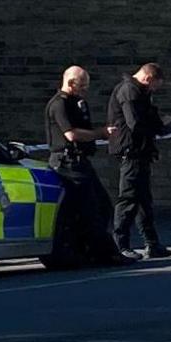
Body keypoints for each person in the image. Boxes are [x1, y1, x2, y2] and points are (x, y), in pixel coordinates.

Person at [39, 66, 120, 267]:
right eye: (82, 86)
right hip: (66, 163)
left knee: (100, 205)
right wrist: (100, 133)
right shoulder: (59, 104)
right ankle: (104, 254)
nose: (84, 90)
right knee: (90, 207)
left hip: (80, 160)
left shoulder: (76, 102)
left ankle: (91, 251)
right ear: (70, 82)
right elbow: (71, 134)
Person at [112, 60, 169, 260]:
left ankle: (152, 243)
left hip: (141, 152)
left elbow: (147, 118)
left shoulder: (140, 93)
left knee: (144, 201)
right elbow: (135, 123)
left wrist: (162, 126)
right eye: (155, 85)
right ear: (148, 78)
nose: (154, 90)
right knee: (128, 200)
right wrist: (157, 128)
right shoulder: (129, 91)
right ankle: (120, 245)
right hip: (131, 153)